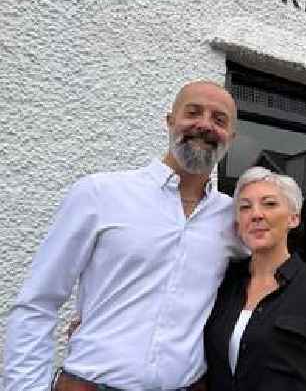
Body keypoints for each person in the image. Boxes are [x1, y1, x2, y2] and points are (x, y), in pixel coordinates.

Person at [3, 80, 248, 391]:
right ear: (170, 121)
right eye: (193, 112)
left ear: (231, 138)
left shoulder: (232, 218)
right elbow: (38, 303)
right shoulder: (100, 193)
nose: (205, 125)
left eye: (219, 119)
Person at [203, 167, 306, 391]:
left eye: (269, 204)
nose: (256, 214)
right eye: (245, 207)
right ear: (238, 222)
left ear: (293, 218)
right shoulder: (225, 281)